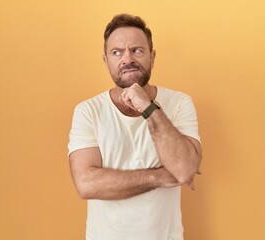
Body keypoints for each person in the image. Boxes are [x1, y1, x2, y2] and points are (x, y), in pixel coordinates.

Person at [68, 13, 202, 240]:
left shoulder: (179, 103)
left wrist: (149, 108)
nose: (127, 59)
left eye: (137, 50)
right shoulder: (88, 111)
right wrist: (160, 177)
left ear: (152, 56)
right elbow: (86, 184)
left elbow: (185, 168)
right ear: (106, 60)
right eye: (117, 52)